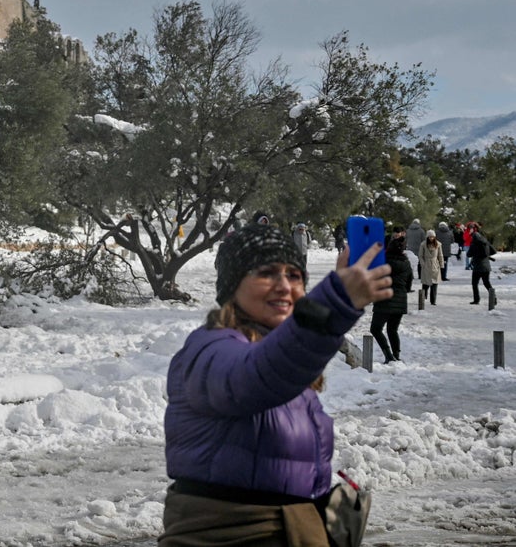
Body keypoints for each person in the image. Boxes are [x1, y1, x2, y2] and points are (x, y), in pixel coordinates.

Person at [160, 223, 392, 545]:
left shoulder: (282, 351)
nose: (284, 286)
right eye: (267, 273)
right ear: (233, 285)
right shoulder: (208, 350)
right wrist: (335, 301)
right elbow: (253, 377)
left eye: (294, 276)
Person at [371, 235, 411, 363]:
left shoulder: (383, 262)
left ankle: (388, 355)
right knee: (392, 329)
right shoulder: (406, 263)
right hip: (400, 300)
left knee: (375, 329)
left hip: (384, 298)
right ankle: (396, 355)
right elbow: (409, 283)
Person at [467, 226, 497, 309]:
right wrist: (486, 255)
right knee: (487, 283)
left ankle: (476, 300)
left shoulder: (474, 243)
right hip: (486, 266)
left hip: (477, 267)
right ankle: (493, 298)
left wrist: (476, 254)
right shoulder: (485, 241)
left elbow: (468, 254)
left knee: (474, 284)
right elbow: (494, 251)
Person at [418, 229, 443, 306]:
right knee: (425, 283)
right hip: (426, 264)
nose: (431, 238)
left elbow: (440, 255)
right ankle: (423, 298)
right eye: (429, 237)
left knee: (434, 284)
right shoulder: (423, 244)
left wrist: (441, 264)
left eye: (432, 237)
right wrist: (423, 264)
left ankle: (433, 300)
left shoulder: (438, 244)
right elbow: (420, 255)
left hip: (435, 265)